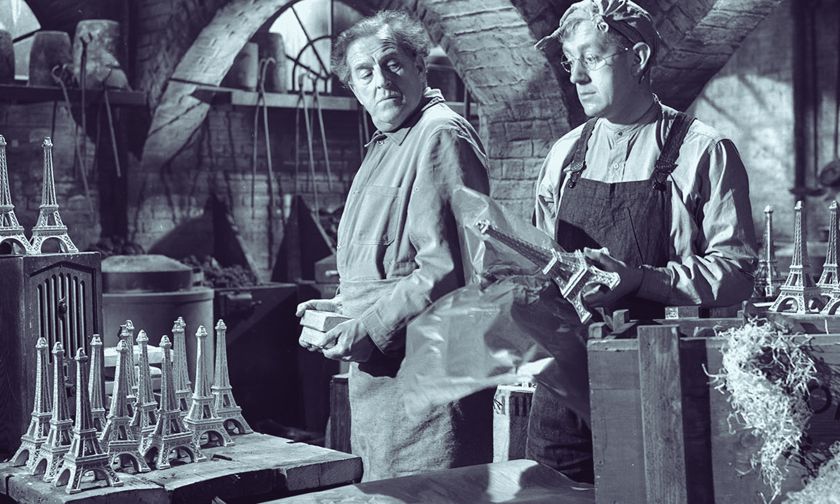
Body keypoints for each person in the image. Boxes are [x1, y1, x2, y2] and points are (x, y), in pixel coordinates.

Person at [529, 0, 758, 483]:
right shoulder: (563, 155)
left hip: (659, 378)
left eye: (592, 59)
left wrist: (641, 280)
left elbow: (736, 272)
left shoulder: (703, 151)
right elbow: (541, 261)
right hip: (563, 385)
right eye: (570, 62)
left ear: (637, 58)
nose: (577, 77)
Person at [295, 10, 492, 481]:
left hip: (427, 388)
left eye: (392, 64)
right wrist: (344, 306)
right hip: (384, 388)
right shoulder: (389, 143)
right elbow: (392, 263)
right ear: (354, 88)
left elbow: (447, 270)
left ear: (420, 68)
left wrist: (368, 326)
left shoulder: (439, 136)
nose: (381, 81)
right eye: (365, 73)